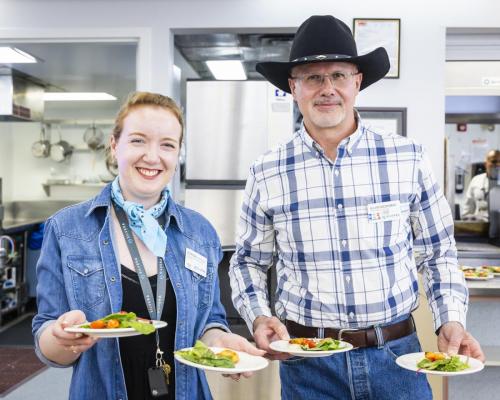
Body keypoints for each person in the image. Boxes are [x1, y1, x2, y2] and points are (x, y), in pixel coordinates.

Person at [229, 15, 484, 400]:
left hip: (397, 358)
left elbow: (438, 253)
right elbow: (247, 261)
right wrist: (259, 315)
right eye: (313, 77)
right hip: (307, 362)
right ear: (293, 87)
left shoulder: (408, 157)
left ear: (357, 82)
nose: (327, 88)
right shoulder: (266, 171)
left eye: (339, 75)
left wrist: (450, 319)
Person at [32, 91, 263, 400]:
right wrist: (62, 337)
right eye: (138, 140)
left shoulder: (199, 232)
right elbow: (48, 344)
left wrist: (221, 341)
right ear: (115, 146)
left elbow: (209, 322)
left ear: (178, 153)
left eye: (167, 144)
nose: (153, 157)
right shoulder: (66, 229)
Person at [461, 149, 500, 221]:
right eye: (494, 161)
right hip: (479, 226)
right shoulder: (476, 181)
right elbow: (467, 211)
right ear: (486, 164)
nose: (498, 164)